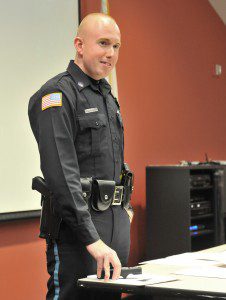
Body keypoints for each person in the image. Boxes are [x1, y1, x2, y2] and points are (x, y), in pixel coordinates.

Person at [28, 13, 133, 300]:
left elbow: (113, 162)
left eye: (116, 46)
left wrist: (126, 211)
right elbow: (62, 175)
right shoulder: (56, 95)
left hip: (114, 223)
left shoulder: (106, 96)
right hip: (79, 233)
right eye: (103, 43)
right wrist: (93, 240)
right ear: (79, 45)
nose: (110, 54)